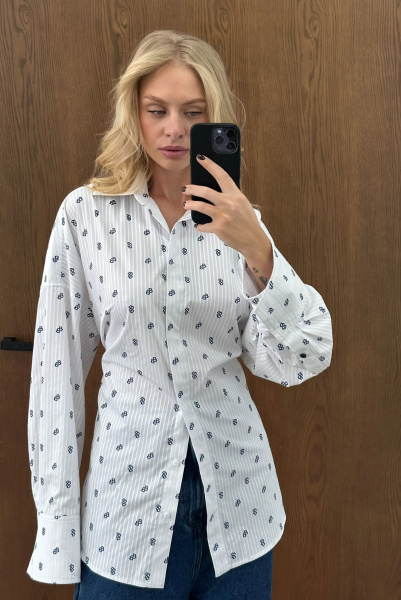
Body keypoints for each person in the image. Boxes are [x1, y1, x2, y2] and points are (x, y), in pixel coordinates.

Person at [27, 30, 333, 600]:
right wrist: (57, 528)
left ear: (214, 118)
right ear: (134, 112)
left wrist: (259, 249)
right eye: (157, 110)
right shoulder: (85, 216)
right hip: (125, 514)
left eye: (193, 113)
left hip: (239, 511)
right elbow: (55, 376)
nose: (174, 129)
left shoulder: (239, 222)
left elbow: (300, 358)